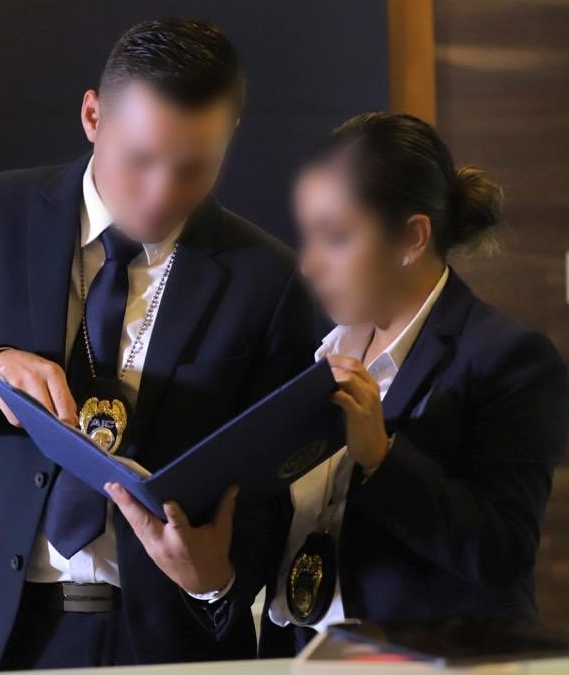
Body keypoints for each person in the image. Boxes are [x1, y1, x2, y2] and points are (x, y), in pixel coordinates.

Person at [0, 19, 314, 672]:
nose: (162, 193)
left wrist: (217, 577)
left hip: (167, 643)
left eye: (194, 168)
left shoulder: (268, 280)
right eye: (141, 159)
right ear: (92, 116)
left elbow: (276, 489)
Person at [111, 112, 569, 655]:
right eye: (308, 237)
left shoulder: (508, 358)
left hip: (423, 663)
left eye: (335, 237)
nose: (308, 265)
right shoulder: (319, 353)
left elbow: (503, 555)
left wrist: (381, 457)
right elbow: (285, 533)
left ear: (412, 237)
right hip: (297, 657)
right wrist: (213, 578)